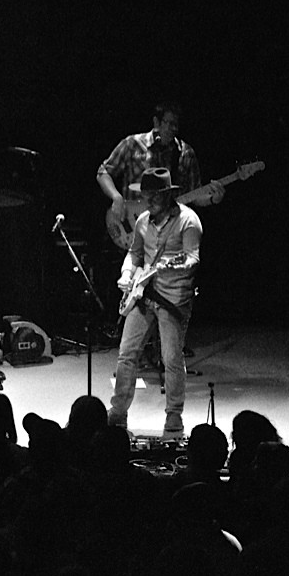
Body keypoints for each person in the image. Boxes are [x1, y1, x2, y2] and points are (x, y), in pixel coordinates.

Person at [108, 167, 202, 439]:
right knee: (126, 353)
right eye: (145, 195)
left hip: (173, 299)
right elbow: (134, 254)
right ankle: (117, 415)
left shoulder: (188, 221)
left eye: (153, 196)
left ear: (167, 195)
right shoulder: (142, 222)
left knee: (171, 359)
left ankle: (174, 418)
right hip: (144, 294)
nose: (147, 201)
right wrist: (127, 275)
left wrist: (168, 267)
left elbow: (192, 259)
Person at [97, 101, 224, 247]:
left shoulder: (185, 153)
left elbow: (194, 194)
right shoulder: (132, 144)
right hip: (133, 227)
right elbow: (103, 172)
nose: (173, 129)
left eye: (176, 124)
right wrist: (116, 197)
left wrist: (213, 198)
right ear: (156, 122)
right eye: (169, 123)